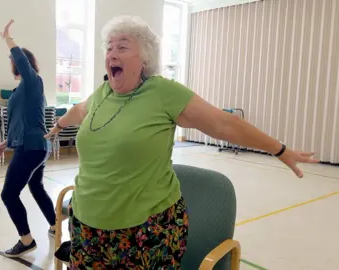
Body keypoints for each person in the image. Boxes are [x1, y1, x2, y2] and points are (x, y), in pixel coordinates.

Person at [45, 16, 318, 269]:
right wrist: (57, 126)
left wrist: (280, 150)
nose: (112, 54)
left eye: (123, 47)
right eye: (109, 48)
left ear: (144, 60)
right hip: (86, 228)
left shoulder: (163, 93)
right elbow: (79, 110)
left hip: (145, 232)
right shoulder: (101, 94)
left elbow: (224, 124)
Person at [0, 19, 56, 258]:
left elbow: (21, 61)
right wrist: (6, 142)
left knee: (9, 194)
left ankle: (26, 240)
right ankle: (55, 224)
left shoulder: (33, 81)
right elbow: (22, 121)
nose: (11, 62)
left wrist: (9, 41)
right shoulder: (22, 90)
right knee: (36, 185)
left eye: (13, 59)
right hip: (34, 145)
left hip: (31, 148)